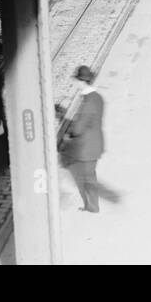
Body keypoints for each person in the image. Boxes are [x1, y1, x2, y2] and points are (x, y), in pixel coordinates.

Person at [60, 65, 105, 213]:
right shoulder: (97, 97)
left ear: (82, 81)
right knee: (90, 175)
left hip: (88, 147)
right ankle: (92, 205)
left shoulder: (88, 102)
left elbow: (79, 128)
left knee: (88, 177)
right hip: (95, 142)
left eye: (77, 81)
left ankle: (92, 206)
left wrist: (69, 133)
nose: (76, 84)